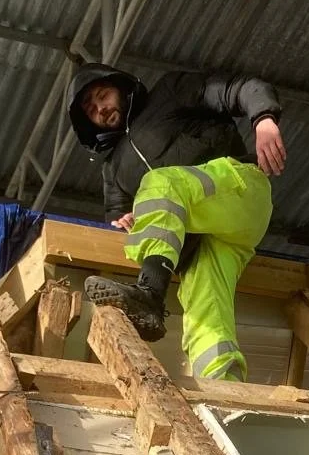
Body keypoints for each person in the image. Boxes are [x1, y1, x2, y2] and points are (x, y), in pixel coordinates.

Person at [67, 64, 286, 381]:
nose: (100, 109)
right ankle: (224, 394)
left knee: (161, 184)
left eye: (102, 96)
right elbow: (116, 217)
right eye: (91, 109)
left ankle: (150, 295)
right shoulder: (112, 170)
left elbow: (238, 88)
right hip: (202, 244)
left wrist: (264, 119)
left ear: (121, 87)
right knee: (204, 315)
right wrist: (124, 221)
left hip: (240, 191)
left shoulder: (170, 93)